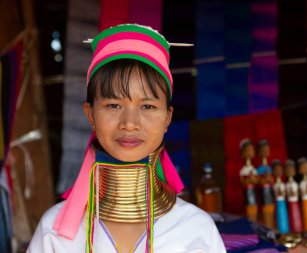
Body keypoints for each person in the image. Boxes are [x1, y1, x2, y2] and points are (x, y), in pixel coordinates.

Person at [27, 24, 226, 253]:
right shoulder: (53, 232)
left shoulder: (196, 229)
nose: (130, 123)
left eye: (148, 106)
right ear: (90, 114)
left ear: (167, 118)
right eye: (113, 105)